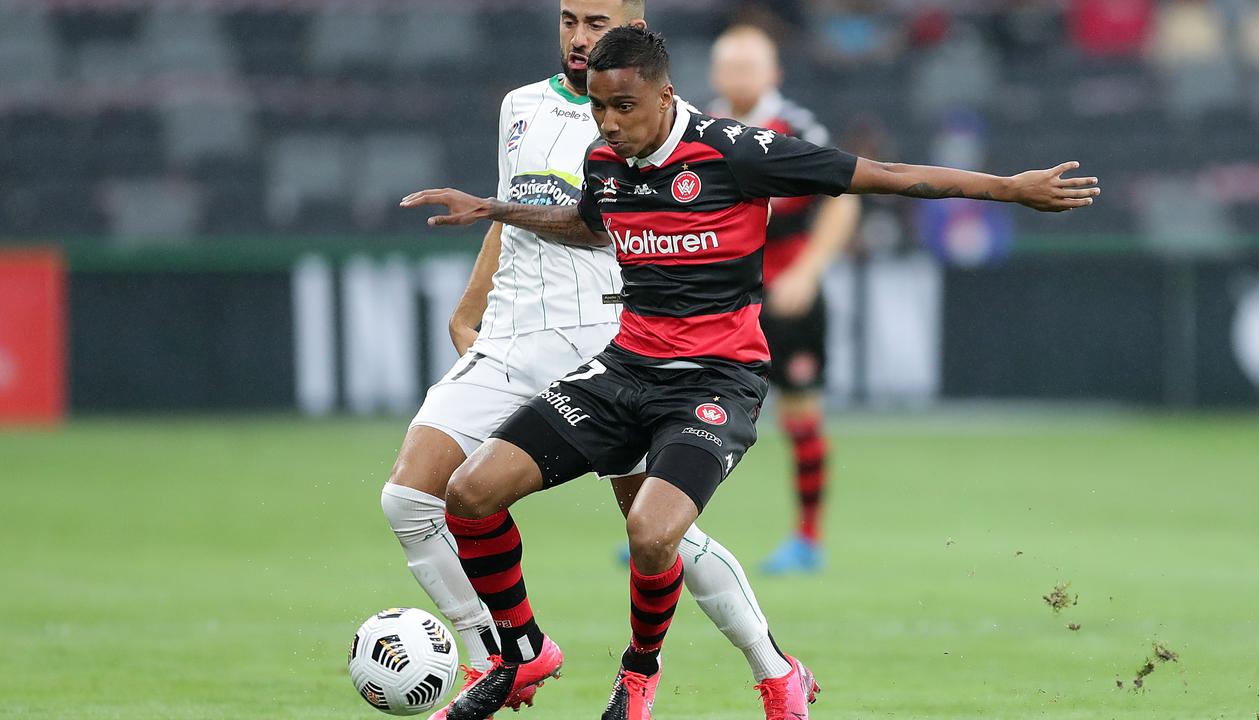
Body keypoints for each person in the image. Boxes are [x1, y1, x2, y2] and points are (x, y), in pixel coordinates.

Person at [404, 26, 1098, 720]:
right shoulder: (605, 158)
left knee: (651, 532)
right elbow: (591, 223)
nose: (609, 124)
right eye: (597, 108)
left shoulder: (737, 152)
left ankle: (641, 671)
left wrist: (1009, 188)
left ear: (663, 94)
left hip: (715, 379)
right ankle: (522, 651)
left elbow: (878, 177)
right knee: (468, 493)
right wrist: (495, 208)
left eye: (623, 107)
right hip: (624, 368)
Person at [382, 1, 798, 717]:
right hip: (514, 337)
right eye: (570, 20)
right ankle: (502, 656)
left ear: (633, 25)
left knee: (661, 534)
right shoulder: (520, 106)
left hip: (609, 347)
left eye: (596, 23)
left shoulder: (661, 119)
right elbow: (510, 209)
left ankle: (774, 666)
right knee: (411, 498)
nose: (580, 37)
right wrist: (470, 307)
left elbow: (609, 224)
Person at [708, 24, 861, 574]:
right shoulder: (695, 128)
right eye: (731, 67)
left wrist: (810, 271)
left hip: (786, 296)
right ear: (715, 74)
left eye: (751, 67)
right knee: (683, 408)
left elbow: (844, 200)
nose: (740, 77)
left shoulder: (794, 128)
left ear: (773, 74)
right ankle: (665, 528)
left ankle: (807, 538)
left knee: (799, 414)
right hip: (720, 300)